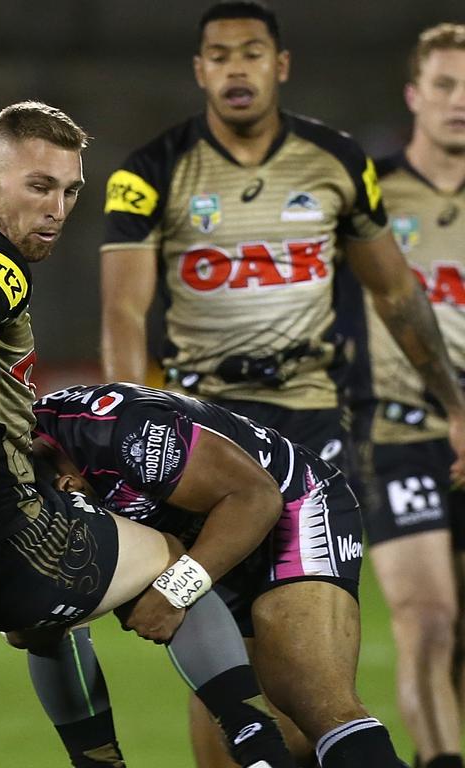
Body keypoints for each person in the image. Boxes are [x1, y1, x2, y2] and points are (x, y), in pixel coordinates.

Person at [0, 101, 296, 768]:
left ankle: (97, 760)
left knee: (53, 606)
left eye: (71, 190)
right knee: (169, 559)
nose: (57, 209)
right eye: (38, 187)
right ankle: (261, 745)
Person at [98, 2, 465, 765]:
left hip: (309, 432)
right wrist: (126, 438)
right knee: (222, 663)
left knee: (309, 675)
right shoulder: (148, 173)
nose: (237, 68)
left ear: (280, 65)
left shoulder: (335, 161)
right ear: (200, 70)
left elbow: (397, 295)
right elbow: (124, 313)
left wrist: (455, 406)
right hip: (202, 438)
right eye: (220, 55)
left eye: (252, 53)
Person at [30, 381, 410, 768]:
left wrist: (174, 591)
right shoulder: (7, 477)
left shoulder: (124, 432)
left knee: (314, 700)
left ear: (68, 485)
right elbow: (37, 621)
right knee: (266, 741)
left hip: (286, 504)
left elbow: (255, 498)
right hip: (199, 534)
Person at [343, 24, 465, 768]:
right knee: (427, 619)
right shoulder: (367, 199)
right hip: (394, 436)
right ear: (415, 95)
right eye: (446, 86)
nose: (461, 102)